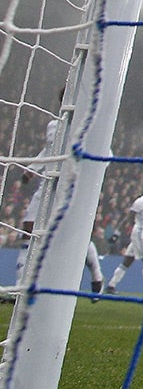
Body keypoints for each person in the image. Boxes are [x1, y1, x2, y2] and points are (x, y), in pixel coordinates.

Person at [18, 118, 106, 296]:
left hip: (71, 186)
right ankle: (21, 285)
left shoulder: (88, 127)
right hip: (48, 182)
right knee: (28, 227)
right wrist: (31, 170)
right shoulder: (53, 125)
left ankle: (97, 275)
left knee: (75, 231)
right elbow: (48, 151)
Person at [100, 190, 143, 297]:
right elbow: (129, 217)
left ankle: (111, 285)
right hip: (140, 234)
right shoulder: (140, 201)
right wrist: (117, 233)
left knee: (127, 261)